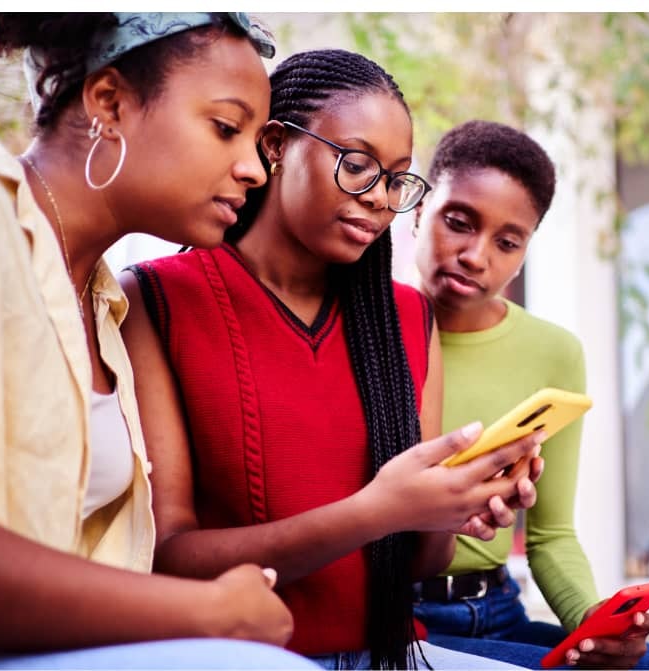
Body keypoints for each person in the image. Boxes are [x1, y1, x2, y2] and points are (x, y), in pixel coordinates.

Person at [119, 50, 545, 670]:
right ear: (275, 145)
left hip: (396, 654)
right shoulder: (157, 298)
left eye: (397, 179)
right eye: (357, 164)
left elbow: (421, 560)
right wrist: (376, 511)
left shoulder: (405, 317)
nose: (378, 198)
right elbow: (167, 556)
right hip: (240, 657)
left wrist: (457, 505)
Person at [0, 12, 321, 670]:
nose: (252, 169)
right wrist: (210, 611)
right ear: (110, 103)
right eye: (225, 128)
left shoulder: (108, 305)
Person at [411, 120, 649, 670]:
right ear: (416, 213)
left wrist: (594, 626)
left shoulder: (553, 352)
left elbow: (551, 535)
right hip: (402, 620)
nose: (477, 256)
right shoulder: (364, 329)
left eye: (507, 242)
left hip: (499, 609)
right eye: (458, 223)